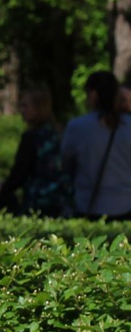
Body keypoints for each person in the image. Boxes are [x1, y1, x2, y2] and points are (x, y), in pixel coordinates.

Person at [61, 70, 131, 220]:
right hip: (126, 206)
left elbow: (65, 165)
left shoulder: (77, 126)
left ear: (92, 94)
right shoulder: (128, 125)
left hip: (88, 207)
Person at [0, 85, 68, 216]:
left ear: (38, 108)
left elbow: (20, 173)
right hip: (61, 202)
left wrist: (1, 189)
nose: (21, 110)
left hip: (37, 202)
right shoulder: (58, 133)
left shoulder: (32, 137)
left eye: (25, 106)